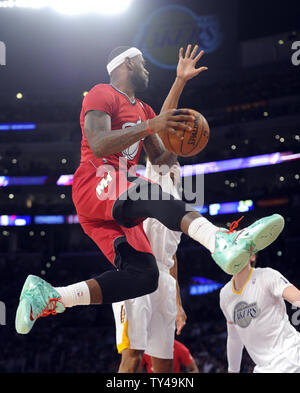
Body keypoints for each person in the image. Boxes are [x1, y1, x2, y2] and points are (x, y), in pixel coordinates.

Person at [16, 44, 285, 335]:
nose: (147, 68)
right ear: (126, 64)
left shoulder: (143, 109)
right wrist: (150, 126)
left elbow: (159, 155)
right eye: (143, 63)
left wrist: (180, 121)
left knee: (144, 276)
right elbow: (99, 143)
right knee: (151, 191)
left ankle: (51, 296)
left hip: (114, 203)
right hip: (95, 182)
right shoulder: (101, 93)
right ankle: (219, 239)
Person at [112, 159, 185, 373]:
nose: (172, 171)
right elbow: (158, 152)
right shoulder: (145, 186)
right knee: (133, 357)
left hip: (164, 278)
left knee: (164, 364)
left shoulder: (177, 204)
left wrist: (178, 304)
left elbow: (172, 258)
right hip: (137, 272)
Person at [220, 254, 300, 373]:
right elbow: (234, 337)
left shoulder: (266, 275)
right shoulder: (225, 295)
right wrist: (233, 370)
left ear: (252, 256)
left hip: (291, 357)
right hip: (263, 368)